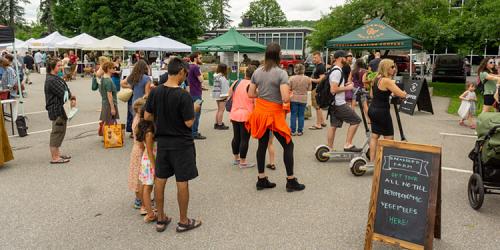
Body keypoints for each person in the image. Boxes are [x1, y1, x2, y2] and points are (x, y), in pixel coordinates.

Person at [144, 57, 201, 233]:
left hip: (163, 143)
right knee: (182, 181)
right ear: (182, 72)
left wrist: (162, 119)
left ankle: (161, 219)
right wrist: (195, 109)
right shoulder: (184, 95)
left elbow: (147, 116)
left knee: (160, 180)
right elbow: (189, 123)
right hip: (182, 144)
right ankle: (183, 221)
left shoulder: (155, 92)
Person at [246, 43, 305, 192]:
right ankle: (291, 180)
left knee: (262, 145)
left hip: (260, 112)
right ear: (278, 55)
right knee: (288, 145)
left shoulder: (257, 72)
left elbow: (251, 94)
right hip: (274, 113)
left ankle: (261, 179)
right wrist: (289, 95)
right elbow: (285, 98)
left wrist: (264, 95)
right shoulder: (281, 73)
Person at [368, 59, 407, 163]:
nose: (394, 69)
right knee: (388, 138)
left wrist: (388, 93)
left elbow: (372, 95)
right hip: (382, 111)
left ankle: (372, 161)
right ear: (386, 68)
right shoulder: (387, 80)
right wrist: (404, 93)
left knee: (374, 136)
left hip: (372, 109)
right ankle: (387, 164)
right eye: (392, 67)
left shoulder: (376, 78)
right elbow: (402, 94)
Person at [326, 50, 362, 152]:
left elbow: (335, 86)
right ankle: (348, 144)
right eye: (346, 58)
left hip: (334, 103)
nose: (347, 59)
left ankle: (329, 148)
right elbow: (333, 89)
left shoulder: (336, 70)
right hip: (339, 104)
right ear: (340, 58)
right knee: (356, 121)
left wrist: (344, 85)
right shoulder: (337, 71)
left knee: (333, 126)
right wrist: (348, 88)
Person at [44, 58, 74, 164]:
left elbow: (66, 89)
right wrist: (72, 98)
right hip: (56, 110)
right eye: (58, 66)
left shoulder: (55, 77)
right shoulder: (51, 80)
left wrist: (70, 96)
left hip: (60, 109)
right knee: (57, 133)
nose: (61, 67)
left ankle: (57, 154)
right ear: (52, 67)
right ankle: (55, 157)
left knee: (60, 132)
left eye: (61, 65)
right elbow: (63, 93)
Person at [229, 65, 257, 168]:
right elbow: (255, 101)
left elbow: (229, 94)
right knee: (244, 139)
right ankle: (243, 162)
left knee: (236, 137)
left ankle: (236, 158)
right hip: (246, 115)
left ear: (246, 74)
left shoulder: (237, 82)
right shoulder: (252, 85)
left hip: (234, 113)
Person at [136, 105, 157, 223]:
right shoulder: (149, 132)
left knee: (145, 186)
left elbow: (141, 146)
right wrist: (154, 167)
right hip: (150, 161)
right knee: (148, 188)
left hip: (145, 159)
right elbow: (150, 151)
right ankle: (150, 214)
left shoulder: (142, 128)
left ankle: (148, 209)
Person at [128, 98, 146, 212]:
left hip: (136, 150)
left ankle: (140, 199)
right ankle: (140, 201)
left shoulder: (137, 118)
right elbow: (141, 143)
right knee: (141, 177)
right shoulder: (139, 123)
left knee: (137, 175)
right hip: (140, 151)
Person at [289, 64, 312, 136]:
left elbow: (289, 88)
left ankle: (292, 131)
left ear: (295, 70)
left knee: (293, 115)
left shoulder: (291, 78)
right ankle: (300, 131)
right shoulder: (308, 79)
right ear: (303, 69)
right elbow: (309, 89)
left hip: (294, 98)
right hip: (303, 98)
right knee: (301, 115)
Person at [188, 52, 206, 139]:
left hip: (192, 92)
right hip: (196, 94)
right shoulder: (195, 67)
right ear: (195, 58)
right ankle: (194, 133)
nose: (201, 59)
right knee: (196, 113)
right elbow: (201, 79)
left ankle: (191, 131)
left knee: (191, 113)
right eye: (200, 58)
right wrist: (200, 71)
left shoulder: (190, 66)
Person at [309, 51, 327, 130]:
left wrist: (311, 79)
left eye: (315, 57)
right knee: (317, 106)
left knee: (317, 106)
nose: (314, 59)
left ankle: (318, 124)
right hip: (315, 88)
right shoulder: (317, 66)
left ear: (320, 57)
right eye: (313, 57)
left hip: (317, 88)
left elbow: (321, 79)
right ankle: (322, 122)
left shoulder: (321, 67)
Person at [212, 63, 230, 130]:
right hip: (222, 95)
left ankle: (216, 123)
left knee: (219, 110)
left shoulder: (216, 76)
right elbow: (225, 88)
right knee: (221, 110)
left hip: (217, 95)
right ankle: (220, 124)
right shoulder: (222, 78)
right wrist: (226, 96)